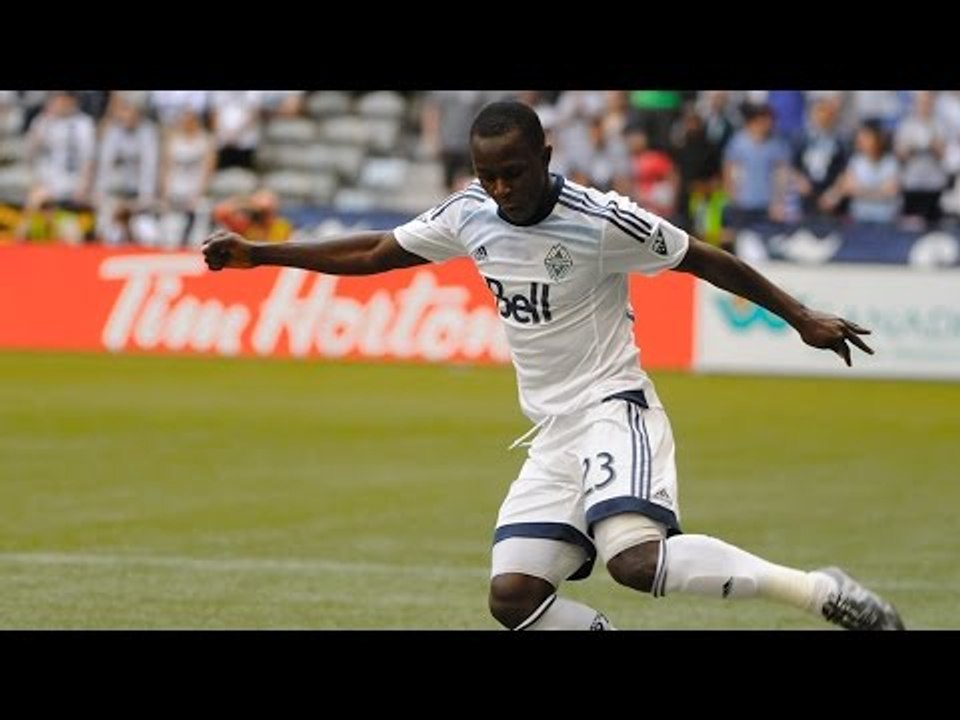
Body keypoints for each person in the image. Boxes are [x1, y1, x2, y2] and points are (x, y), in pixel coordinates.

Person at [202, 100, 904, 631]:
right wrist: (261, 255)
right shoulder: (470, 214)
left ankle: (823, 592)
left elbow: (706, 259)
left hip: (613, 405)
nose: (501, 189)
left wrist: (802, 316)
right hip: (551, 434)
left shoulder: (603, 220)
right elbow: (373, 254)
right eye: (488, 176)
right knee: (514, 598)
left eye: (513, 172)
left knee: (635, 562)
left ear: (545, 152)